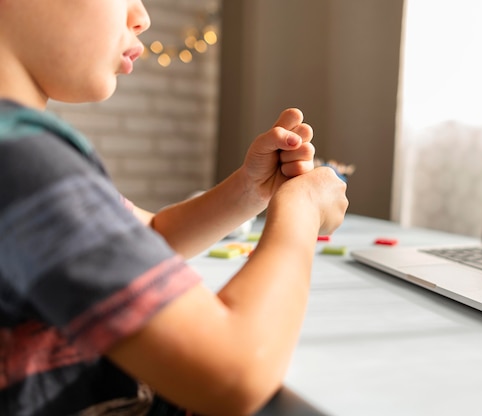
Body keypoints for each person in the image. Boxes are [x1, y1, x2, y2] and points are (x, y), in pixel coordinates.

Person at [0, 0, 348, 415]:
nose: (142, 16)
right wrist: (302, 209)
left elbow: (149, 238)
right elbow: (235, 372)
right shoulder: (23, 165)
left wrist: (251, 190)